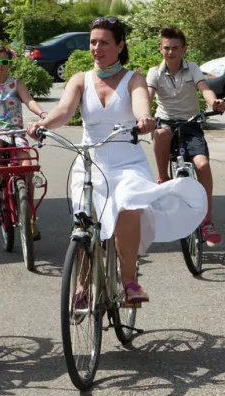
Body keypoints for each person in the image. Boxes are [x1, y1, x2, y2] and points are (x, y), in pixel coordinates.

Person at [30, 17, 206, 306]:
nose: (96, 48)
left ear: (120, 45)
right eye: (93, 42)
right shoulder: (80, 79)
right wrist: (44, 124)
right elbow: (63, 110)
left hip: (127, 162)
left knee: (128, 207)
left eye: (104, 42)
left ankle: (129, 282)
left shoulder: (133, 79)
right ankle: (82, 285)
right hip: (90, 162)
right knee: (86, 223)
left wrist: (143, 119)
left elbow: (140, 103)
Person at [147, 26, 225, 246]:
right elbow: (148, 95)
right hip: (166, 123)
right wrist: (143, 114)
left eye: (175, 48)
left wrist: (215, 103)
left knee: (202, 165)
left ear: (183, 49)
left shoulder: (192, 69)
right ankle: (163, 178)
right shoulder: (154, 72)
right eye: (166, 48)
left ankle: (207, 221)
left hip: (191, 124)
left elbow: (205, 89)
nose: (170, 52)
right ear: (161, 49)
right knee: (161, 133)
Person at [0, 44, 46, 203]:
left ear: (10, 64)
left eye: (4, 62)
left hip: (15, 133)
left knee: (27, 166)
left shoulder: (17, 83)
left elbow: (29, 101)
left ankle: (29, 216)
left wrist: (42, 113)